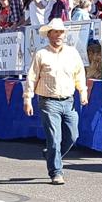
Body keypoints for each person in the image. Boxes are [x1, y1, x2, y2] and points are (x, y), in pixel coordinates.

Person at [24, 18, 89, 185]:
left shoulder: (72, 53)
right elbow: (31, 77)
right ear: (49, 35)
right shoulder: (41, 54)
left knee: (73, 135)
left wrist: (83, 92)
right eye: (56, 32)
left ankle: (53, 155)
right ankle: (56, 172)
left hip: (68, 100)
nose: (59, 35)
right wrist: (28, 99)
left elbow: (79, 74)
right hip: (48, 101)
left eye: (61, 32)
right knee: (54, 138)